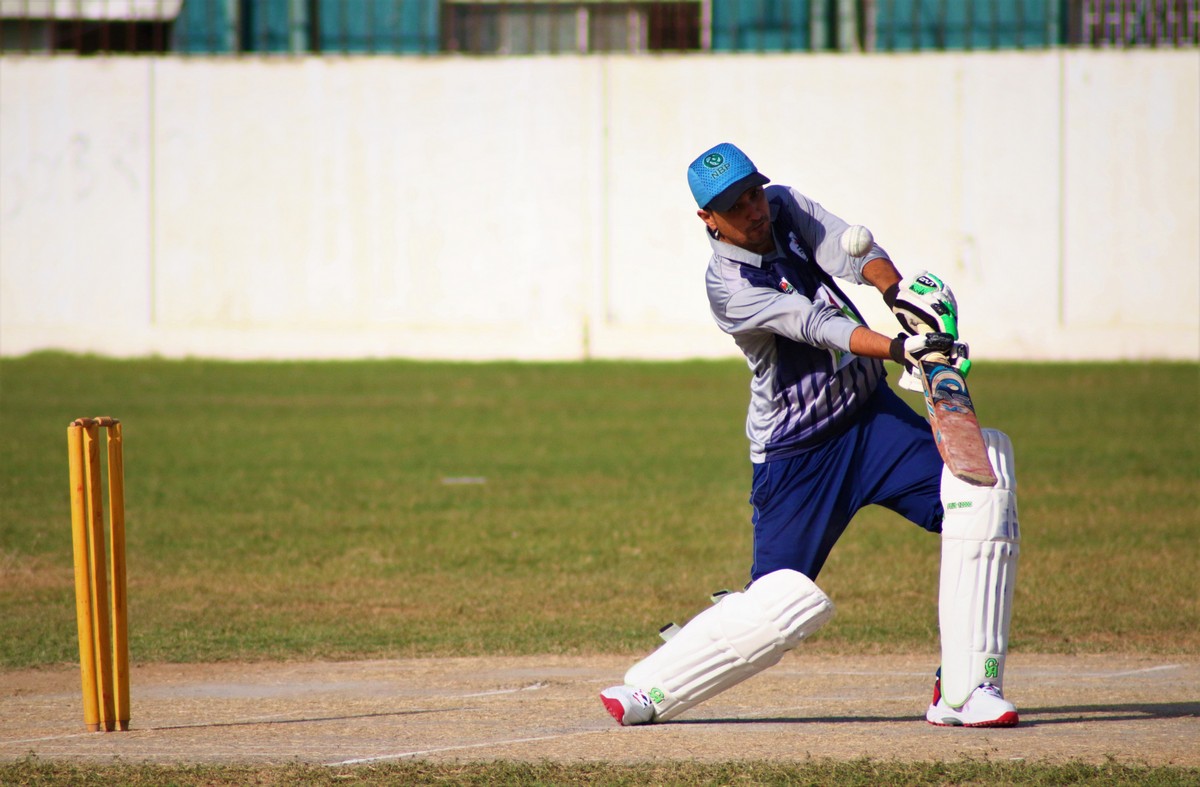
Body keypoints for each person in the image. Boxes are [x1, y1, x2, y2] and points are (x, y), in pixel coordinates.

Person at [599, 142, 1020, 728]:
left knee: (981, 501)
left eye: (753, 193)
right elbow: (817, 325)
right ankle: (650, 687)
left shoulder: (783, 206)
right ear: (708, 218)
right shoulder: (728, 287)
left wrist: (900, 298)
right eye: (735, 206)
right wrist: (904, 348)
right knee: (777, 606)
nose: (753, 210)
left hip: (873, 421)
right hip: (799, 455)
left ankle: (964, 690)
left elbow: (852, 249)